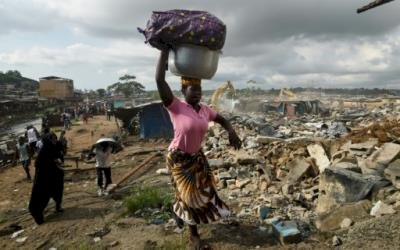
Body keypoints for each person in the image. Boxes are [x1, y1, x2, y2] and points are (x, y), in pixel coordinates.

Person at [156, 48, 242, 249]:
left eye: (199, 90)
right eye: (192, 90)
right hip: (178, 157)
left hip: (196, 157)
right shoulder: (175, 106)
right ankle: (193, 235)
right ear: (184, 91)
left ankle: (177, 211)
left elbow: (221, 119)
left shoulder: (204, 109)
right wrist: (164, 51)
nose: (196, 93)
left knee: (205, 190)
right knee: (189, 196)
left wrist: (232, 132)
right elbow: (160, 81)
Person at [29, 132, 65, 225]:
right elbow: (37, 164)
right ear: (48, 140)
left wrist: (58, 161)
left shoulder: (54, 147)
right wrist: (51, 163)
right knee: (41, 196)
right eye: (52, 139)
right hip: (44, 178)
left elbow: (60, 154)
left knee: (58, 191)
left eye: (55, 138)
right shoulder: (44, 150)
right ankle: (38, 214)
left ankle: (58, 206)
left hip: (55, 175)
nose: (54, 140)